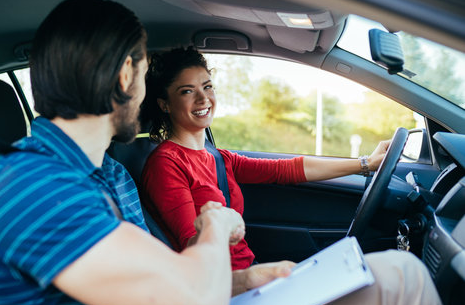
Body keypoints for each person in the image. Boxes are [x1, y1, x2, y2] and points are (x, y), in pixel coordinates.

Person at [0, 0, 450, 305]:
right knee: (402, 283)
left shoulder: (101, 174)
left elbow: (159, 277)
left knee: (394, 274)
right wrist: (216, 226)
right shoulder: (34, 189)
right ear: (125, 74)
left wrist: (247, 279)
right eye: (143, 66)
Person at [140, 46, 389, 269]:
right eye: (187, 91)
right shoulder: (166, 164)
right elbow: (192, 248)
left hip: (247, 270)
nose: (203, 98)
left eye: (207, 86)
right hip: (224, 289)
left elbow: (287, 170)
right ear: (165, 105)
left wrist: (366, 164)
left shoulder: (218, 158)